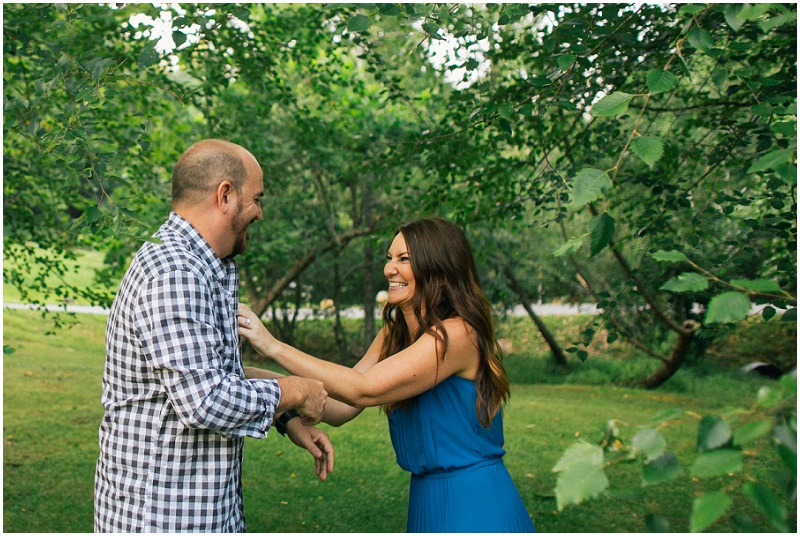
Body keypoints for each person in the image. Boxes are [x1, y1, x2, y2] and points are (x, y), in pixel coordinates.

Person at [94, 139, 333, 533]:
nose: (259, 212)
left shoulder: (208, 267)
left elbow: (220, 374)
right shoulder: (175, 272)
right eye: (256, 198)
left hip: (202, 514)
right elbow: (204, 399)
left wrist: (287, 418)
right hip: (160, 518)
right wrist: (296, 391)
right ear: (226, 195)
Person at [238, 217, 535, 533]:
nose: (389, 269)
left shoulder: (459, 334)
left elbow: (362, 390)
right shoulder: (394, 335)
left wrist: (273, 346)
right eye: (389, 258)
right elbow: (339, 407)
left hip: (475, 502)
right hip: (425, 498)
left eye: (404, 259)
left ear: (437, 266)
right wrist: (243, 374)